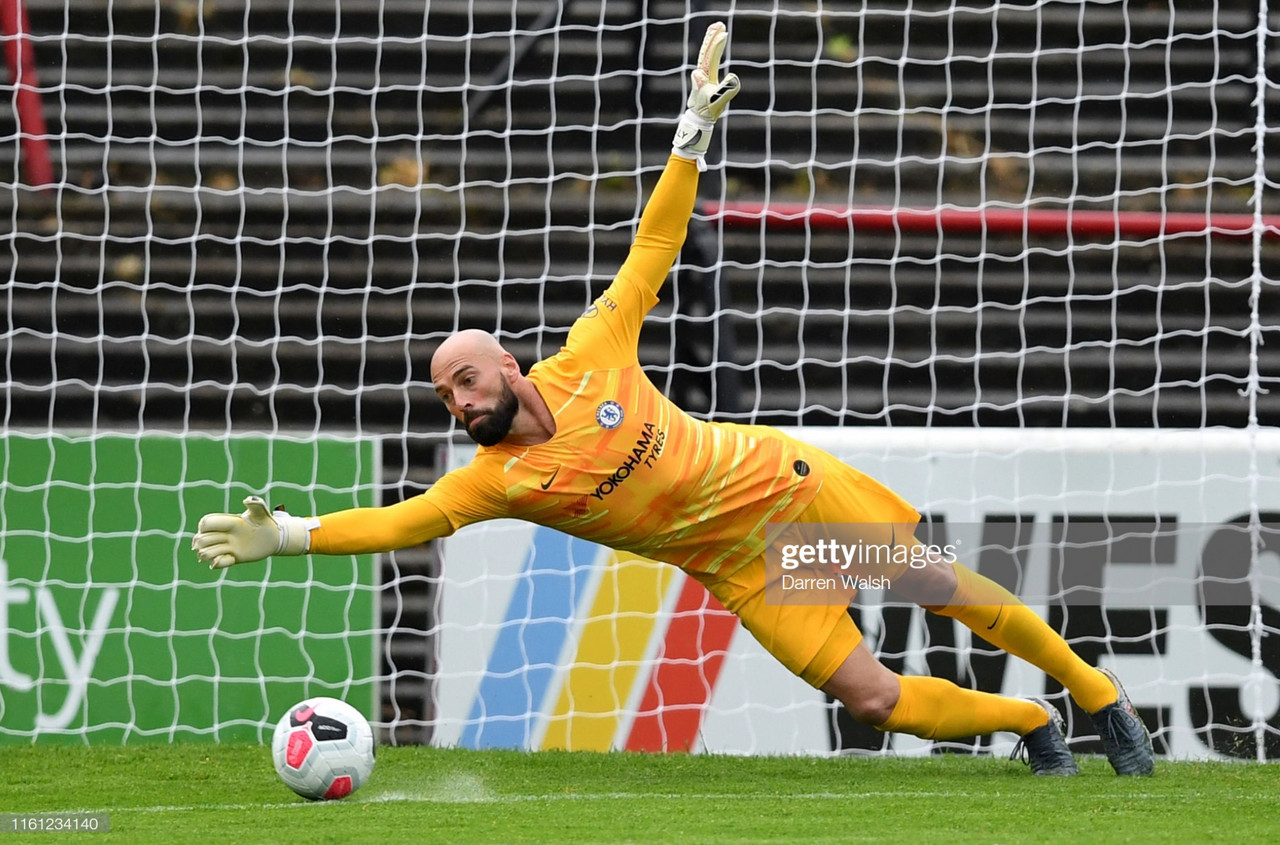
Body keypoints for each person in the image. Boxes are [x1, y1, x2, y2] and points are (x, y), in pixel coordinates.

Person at [193, 22, 1154, 777]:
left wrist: (692, 132)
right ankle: (1033, 723)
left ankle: (1094, 694)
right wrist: (292, 534)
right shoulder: (499, 482)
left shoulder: (592, 352)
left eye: (466, 378)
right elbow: (404, 520)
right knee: (873, 702)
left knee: (946, 592)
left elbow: (651, 249)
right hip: (745, 567)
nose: (457, 401)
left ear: (510, 366)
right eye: (446, 394)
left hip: (784, 486)